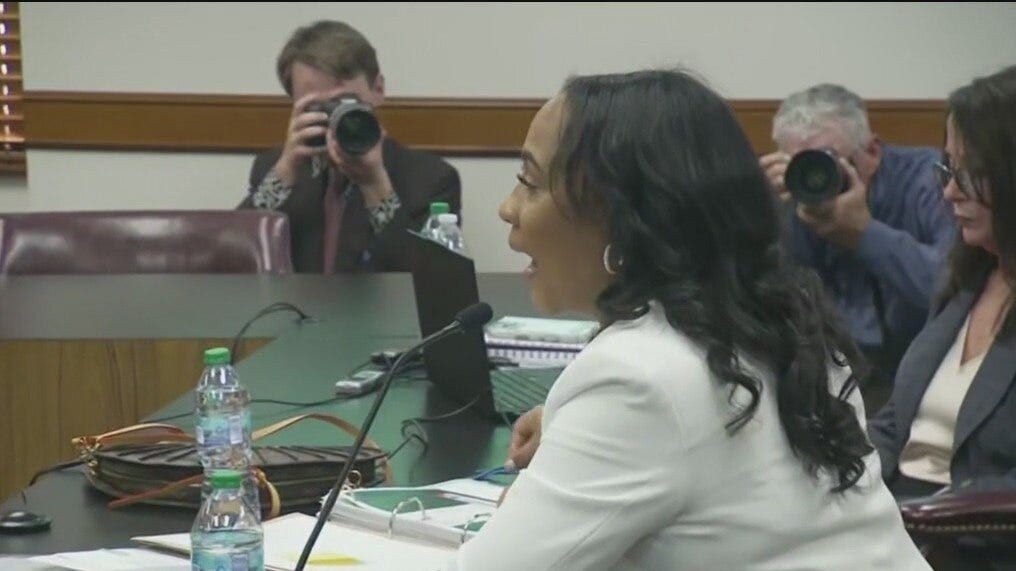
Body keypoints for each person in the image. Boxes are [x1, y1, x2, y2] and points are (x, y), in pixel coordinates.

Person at [448, 69, 929, 570]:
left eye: (529, 181)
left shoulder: (635, 378)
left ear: (620, 214)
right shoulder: (788, 326)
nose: (508, 209)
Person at [868, 65, 1016, 503]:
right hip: (895, 517)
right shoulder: (968, 276)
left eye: (970, 173)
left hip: (974, 539)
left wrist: (929, 514)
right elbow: (896, 422)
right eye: (948, 169)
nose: (950, 192)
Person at [759, 84, 955, 407]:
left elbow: (956, 287)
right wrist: (759, 212)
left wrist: (865, 235)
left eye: (827, 160)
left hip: (924, 372)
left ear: (872, 152)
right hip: (830, 377)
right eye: (798, 165)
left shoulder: (930, 182)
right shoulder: (784, 198)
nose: (814, 176)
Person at [239, 20, 461, 273]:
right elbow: (233, 262)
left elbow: (430, 279)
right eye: (316, 107)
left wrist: (376, 186)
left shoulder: (432, 178)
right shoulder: (276, 168)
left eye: (344, 103)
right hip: (294, 311)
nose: (333, 117)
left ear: (378, 89)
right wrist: (283, 173)